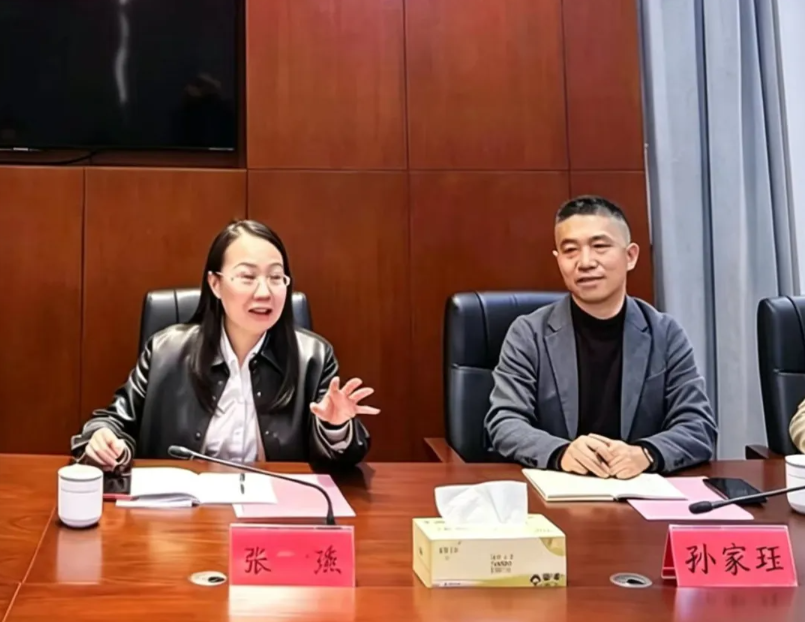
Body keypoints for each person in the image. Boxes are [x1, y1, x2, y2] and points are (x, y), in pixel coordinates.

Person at [71, 220, 378, 469]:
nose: (264, 292)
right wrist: (103, 438)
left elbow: (343, 462)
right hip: (180, 516)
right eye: (247, 276)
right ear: (215, 284)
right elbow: (113, 421)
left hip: (274, 514)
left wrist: (335, 428)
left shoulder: (313, 358)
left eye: (276, 277)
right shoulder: (165, 351)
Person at [484, 195, 717, 478]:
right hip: (558, 486)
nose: (585, 262)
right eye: (570, 250)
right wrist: (561, 452)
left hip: (638, 488)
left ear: (630, 256)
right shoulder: (528, 334)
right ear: (558, 261)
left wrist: (645, 453)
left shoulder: (665, 334)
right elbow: (504, 421)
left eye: (600, 246)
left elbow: (697, 425)